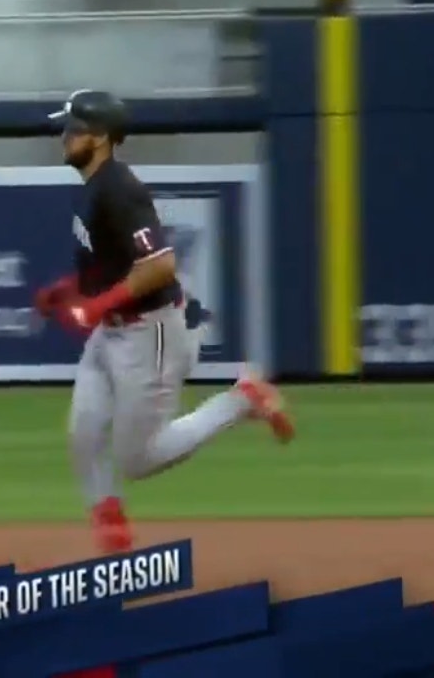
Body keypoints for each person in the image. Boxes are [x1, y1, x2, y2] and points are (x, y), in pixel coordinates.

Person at [34, 89, 296, 554]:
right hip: (114, 328)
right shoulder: (93, 187)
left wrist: (93, 308)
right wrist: (65, 290)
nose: (64, 136)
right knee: (84, 429)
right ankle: (110, 522)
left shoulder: (120, 190)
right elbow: (106, 266)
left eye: (73, 129)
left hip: (148, 332)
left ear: (99, 137)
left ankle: (240, 401)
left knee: (139, 458)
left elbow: (160, 265)